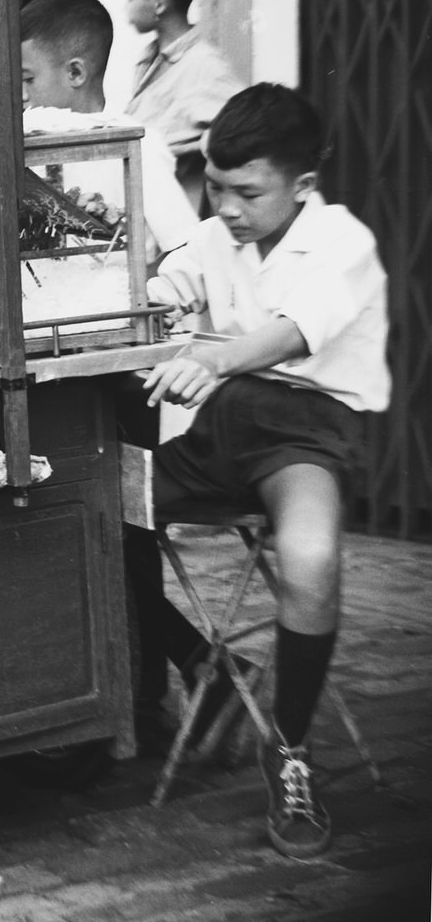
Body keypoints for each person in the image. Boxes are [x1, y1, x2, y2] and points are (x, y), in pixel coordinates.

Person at [129, 83, 389, 860]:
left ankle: (292, 748)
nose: (228, 206)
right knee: (88, 514)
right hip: (223, 435)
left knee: (310, 560)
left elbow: (289, 334)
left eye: (248, 191)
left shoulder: (344, 243)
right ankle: (201, 661)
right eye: (215, 186)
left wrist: (211, 358)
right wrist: (136, 293)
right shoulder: (213, 240)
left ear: (302, 186)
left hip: (304, 439)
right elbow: (160, 292)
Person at [20, 0, 197, 265]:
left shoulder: (139, 145)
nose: (21, 94)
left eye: (28, 79)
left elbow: (182, 246)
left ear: (75, 73)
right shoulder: (23, 137)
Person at [120, 0, 244, 211]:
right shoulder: (149, 58)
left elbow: (241, 130)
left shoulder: (205, 64)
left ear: (159, 3)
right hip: (144, 205)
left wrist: (191, 149)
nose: (126, 8)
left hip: (178, 211)